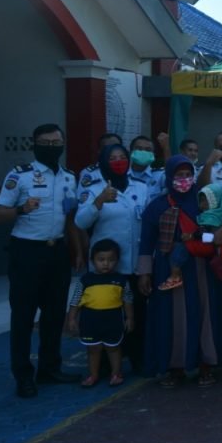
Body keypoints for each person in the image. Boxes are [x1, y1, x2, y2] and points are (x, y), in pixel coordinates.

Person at [0, 123, 82, 397]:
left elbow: (70, 220)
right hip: (27, 252)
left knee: (54, 315)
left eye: (57, 143)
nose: (52, 147)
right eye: (46, 142)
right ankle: (23, 375)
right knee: (23, 316)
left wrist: (78, 251)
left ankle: (49, 368)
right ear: (35, 144)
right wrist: (21, 208)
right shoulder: (20, 176)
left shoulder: (69, 177)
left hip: (57, 253)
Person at [138, 155, 222, 387]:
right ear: (169, 177)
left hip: (201, 268)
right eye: (178, 175)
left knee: (204, 314)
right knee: (172, 317)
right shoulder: (157, 206)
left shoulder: (203, 198)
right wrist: (144, 273)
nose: (184, 180)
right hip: (169, 270)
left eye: (187, 174)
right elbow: (146, 243)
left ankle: (205, 364)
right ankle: (174, 367)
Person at [74, 143, 149, 373]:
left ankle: (138, 359)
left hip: (134, 264)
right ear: (104, 162)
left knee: (136, 313)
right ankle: (105, 365)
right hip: (107, 266)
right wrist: (99, 201)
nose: (118, 161)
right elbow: (80, 222)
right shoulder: (94, 187)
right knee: (107, 315)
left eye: (122, 157)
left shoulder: (141, 186)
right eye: (113, 158)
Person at [65, 239, 133, 387]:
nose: (106, 263)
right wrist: (71, 318)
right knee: (93, 349)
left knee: (114, 348)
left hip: (113, 320)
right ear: (92, 260)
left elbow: (127, 300)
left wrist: (129, 318)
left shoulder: (121, 280)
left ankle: (116, 374)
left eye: (111, 260)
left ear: (117, 261)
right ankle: (93, 375)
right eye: (101, 260)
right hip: (90, 321)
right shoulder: (86, 280)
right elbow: (75, 300)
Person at [128, 135, 165, 201]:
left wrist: (166, 148)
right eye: (139, 149)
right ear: (131, 151)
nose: (143, 152)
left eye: (148, 150)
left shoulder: (160, 175)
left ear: (153, 154)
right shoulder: (122, 175)